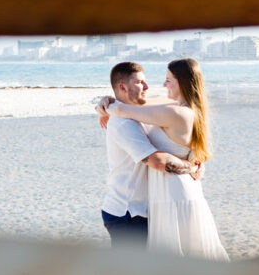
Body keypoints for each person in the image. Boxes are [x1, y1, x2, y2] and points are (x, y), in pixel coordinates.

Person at [98, 58, 229, 261]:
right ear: (123, 87)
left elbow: (126, 111)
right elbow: (133, 109)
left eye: (168, 80)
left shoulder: (173, 112)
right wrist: (106, 103)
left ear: (182, 83)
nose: (158, 85)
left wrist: (110, 106)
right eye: (141, 82)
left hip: (170, 195)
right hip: (131, 209)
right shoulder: (162, 111)